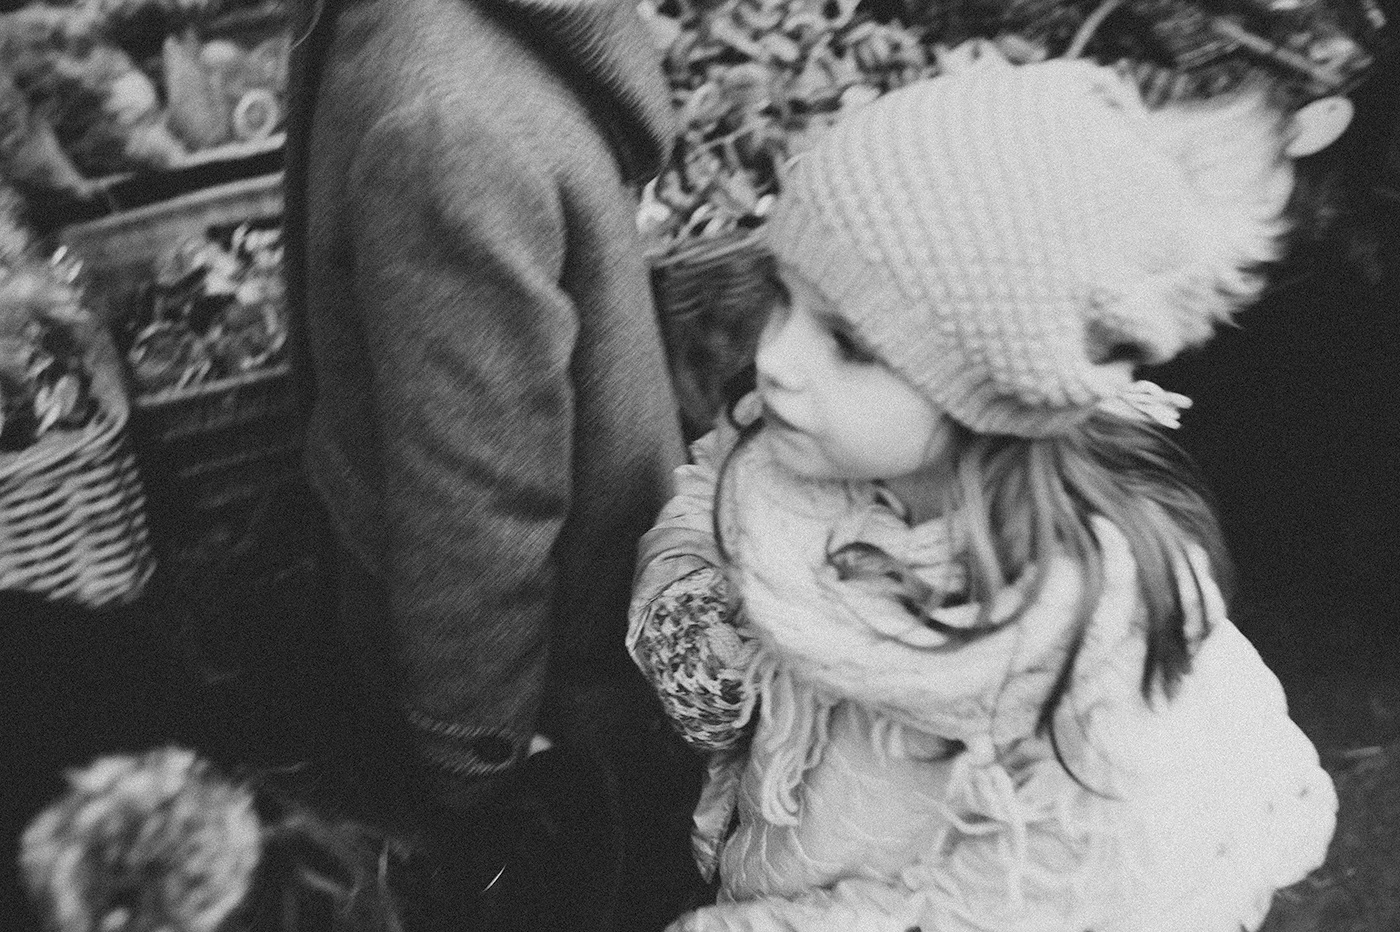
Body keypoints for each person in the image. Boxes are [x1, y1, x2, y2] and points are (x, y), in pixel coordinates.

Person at [627, 58, 1342, 932]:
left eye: (850, 342)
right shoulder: (790, 442)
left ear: (992, 390)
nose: (775, 357)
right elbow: (709, 499)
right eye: (786, 297)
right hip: (783, 846)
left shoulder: (1082, 662)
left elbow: (1011, 906)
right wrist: (695, 611)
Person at [280, 0, 704, 928]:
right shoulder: (432, 54)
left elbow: (476, 504)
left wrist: (468, 769)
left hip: (542, 691)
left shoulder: (436, 118)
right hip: (576, 642)